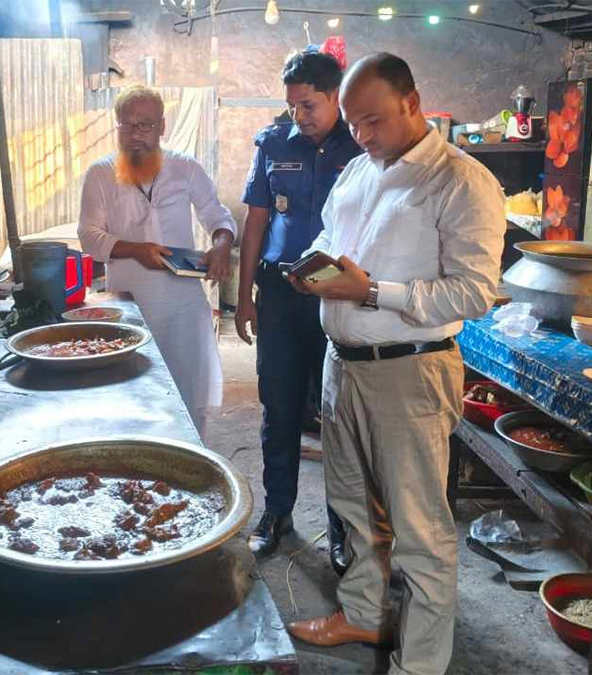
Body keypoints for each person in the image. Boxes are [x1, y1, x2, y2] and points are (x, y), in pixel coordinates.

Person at [284, 53, 505, 675]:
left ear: (413, 101)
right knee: (351, 505)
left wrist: (372, 292)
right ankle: (363, 613)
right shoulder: (357, 169)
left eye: (374, 120)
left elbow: (473, 293)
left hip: (411, 369)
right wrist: (313, 270)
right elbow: (330, 241)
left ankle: (421, 663)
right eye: (353, 123)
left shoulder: (461, 181)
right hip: (344, 363)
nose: (363, 134)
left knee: (419, 529)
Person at [236, 50, 363, 564]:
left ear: (336, 97)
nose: (299, 115)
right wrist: (244, 296)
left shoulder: (362, 147)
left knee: (337, 417)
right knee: (280, 406)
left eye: (309, 105)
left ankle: (340, 527)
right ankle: (278, 511)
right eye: (292, 105)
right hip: (282, 295)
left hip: (338, 294)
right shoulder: (271, 144)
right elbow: (256, 223)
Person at [78, 85, 236, 433]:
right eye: (128, 125)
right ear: (116, 126)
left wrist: (221, 246)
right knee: (133, 401)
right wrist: (136, 250)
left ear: (162, 127)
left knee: (187, 399)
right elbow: (89, 237)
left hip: (183, 307)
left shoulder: (185, 168)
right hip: (131, 307)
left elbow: (217, 216)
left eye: (146, 125)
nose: (136, 135)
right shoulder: (99, 174)